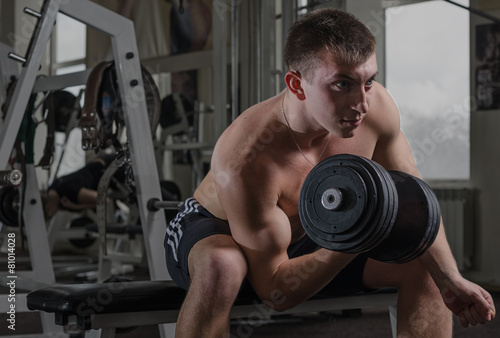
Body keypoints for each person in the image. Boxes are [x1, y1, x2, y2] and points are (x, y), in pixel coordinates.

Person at [164, 8, 496, 337]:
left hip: (312, 233)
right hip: (219, 228)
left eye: (369, 81)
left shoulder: (376, 109)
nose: (362, 103)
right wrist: (356, 233)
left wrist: (450, 277)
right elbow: (275, 292)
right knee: (222, 266)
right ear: (297, 85)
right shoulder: (247, 155)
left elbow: (415, 204)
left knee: (425, 269)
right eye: (342, 84)